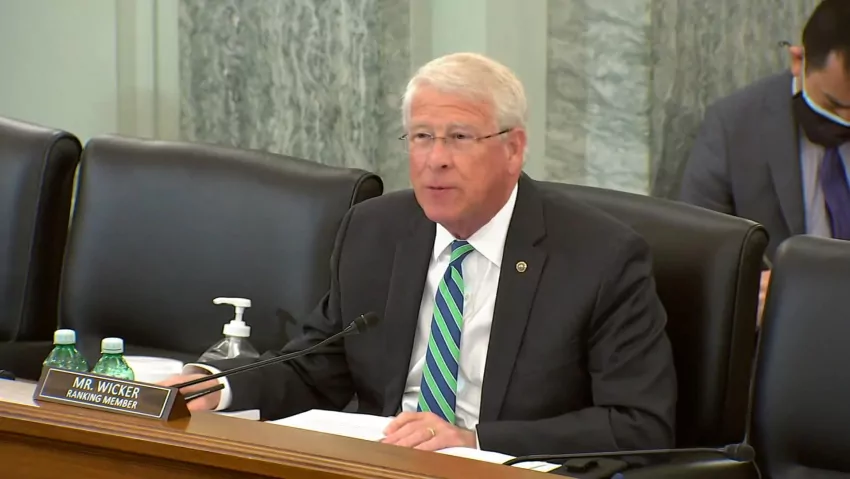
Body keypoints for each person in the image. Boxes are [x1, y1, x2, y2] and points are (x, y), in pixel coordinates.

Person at [164, 52, 677, 457]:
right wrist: (217, 386)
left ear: (513, 149)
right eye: (422, 137)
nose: (436, 160)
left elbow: (639, 424)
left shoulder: (599, 257)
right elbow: (315, 367)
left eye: (459, 138)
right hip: (383, 462)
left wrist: (474, 440)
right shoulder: (374, 230)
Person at [679, 0, 850, 320]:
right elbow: (694, 255)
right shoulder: (733, 127)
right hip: (782, 335)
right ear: (798, 60)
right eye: (834, 105)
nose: (846, 121)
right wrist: (753, 293)